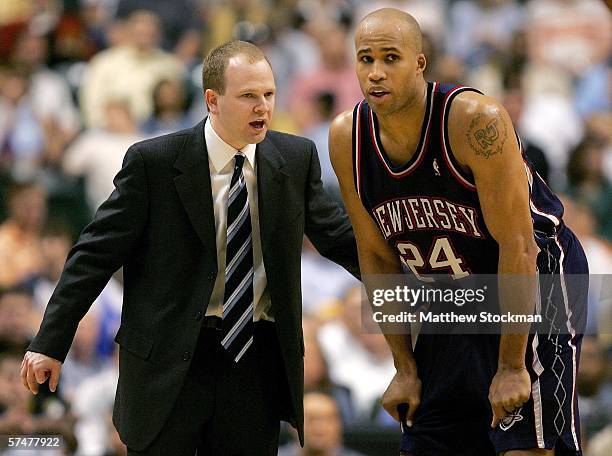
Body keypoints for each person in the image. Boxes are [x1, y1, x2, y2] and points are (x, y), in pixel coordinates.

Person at [21, 40, 359, 455]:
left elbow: (341, 240)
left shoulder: (295, 157)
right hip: (169, 362)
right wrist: (49, 343)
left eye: (269, 94)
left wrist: (411, 290)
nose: (263, 107)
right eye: (248, 96)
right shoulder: (155, 162)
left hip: (254, 361)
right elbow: (93, 256)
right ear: (212, 100)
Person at [329, 8, 588, 455]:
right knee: (435, 439)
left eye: (391, 58)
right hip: (450, 293)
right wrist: (403, 367)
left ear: (420, 64)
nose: (375, 73)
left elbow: (519, 245)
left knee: (526, 442)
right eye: (365, 59)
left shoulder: (474, 119)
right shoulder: (346, 137)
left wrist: (510, 365)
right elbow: (376, 257)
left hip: (537, 277)